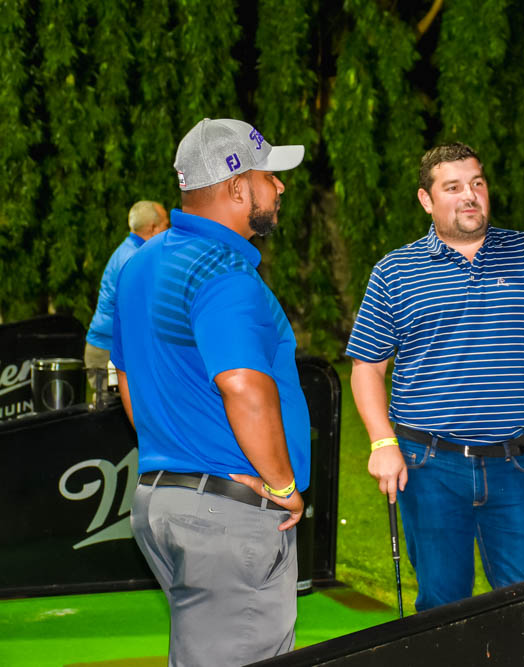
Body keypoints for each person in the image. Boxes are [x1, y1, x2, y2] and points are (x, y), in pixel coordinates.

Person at [346, 142, 524, 612]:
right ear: (426, 199)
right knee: (443, 605)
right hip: (428, 465)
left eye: (477, 183)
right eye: (453, 187)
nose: (470, 195)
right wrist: (381, 441)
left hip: (514, 465)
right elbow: (367, 367)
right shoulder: (395, 271)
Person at [111, 118, 310, 666]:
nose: (280, 186)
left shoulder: (139, 263)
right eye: (269, 176)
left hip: (161, 501)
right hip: (226, 514)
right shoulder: (224, 271)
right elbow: (243, 385)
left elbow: (125, 376)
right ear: (239, 188)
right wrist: (282, 483)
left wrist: (178, 450)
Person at [85, 201, 170, 377]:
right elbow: (141, 312)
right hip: (110, 352)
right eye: (166, 225)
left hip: (108, 347)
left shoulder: (130, 250)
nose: (169, 231)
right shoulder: (135, 258)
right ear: (153, 228)